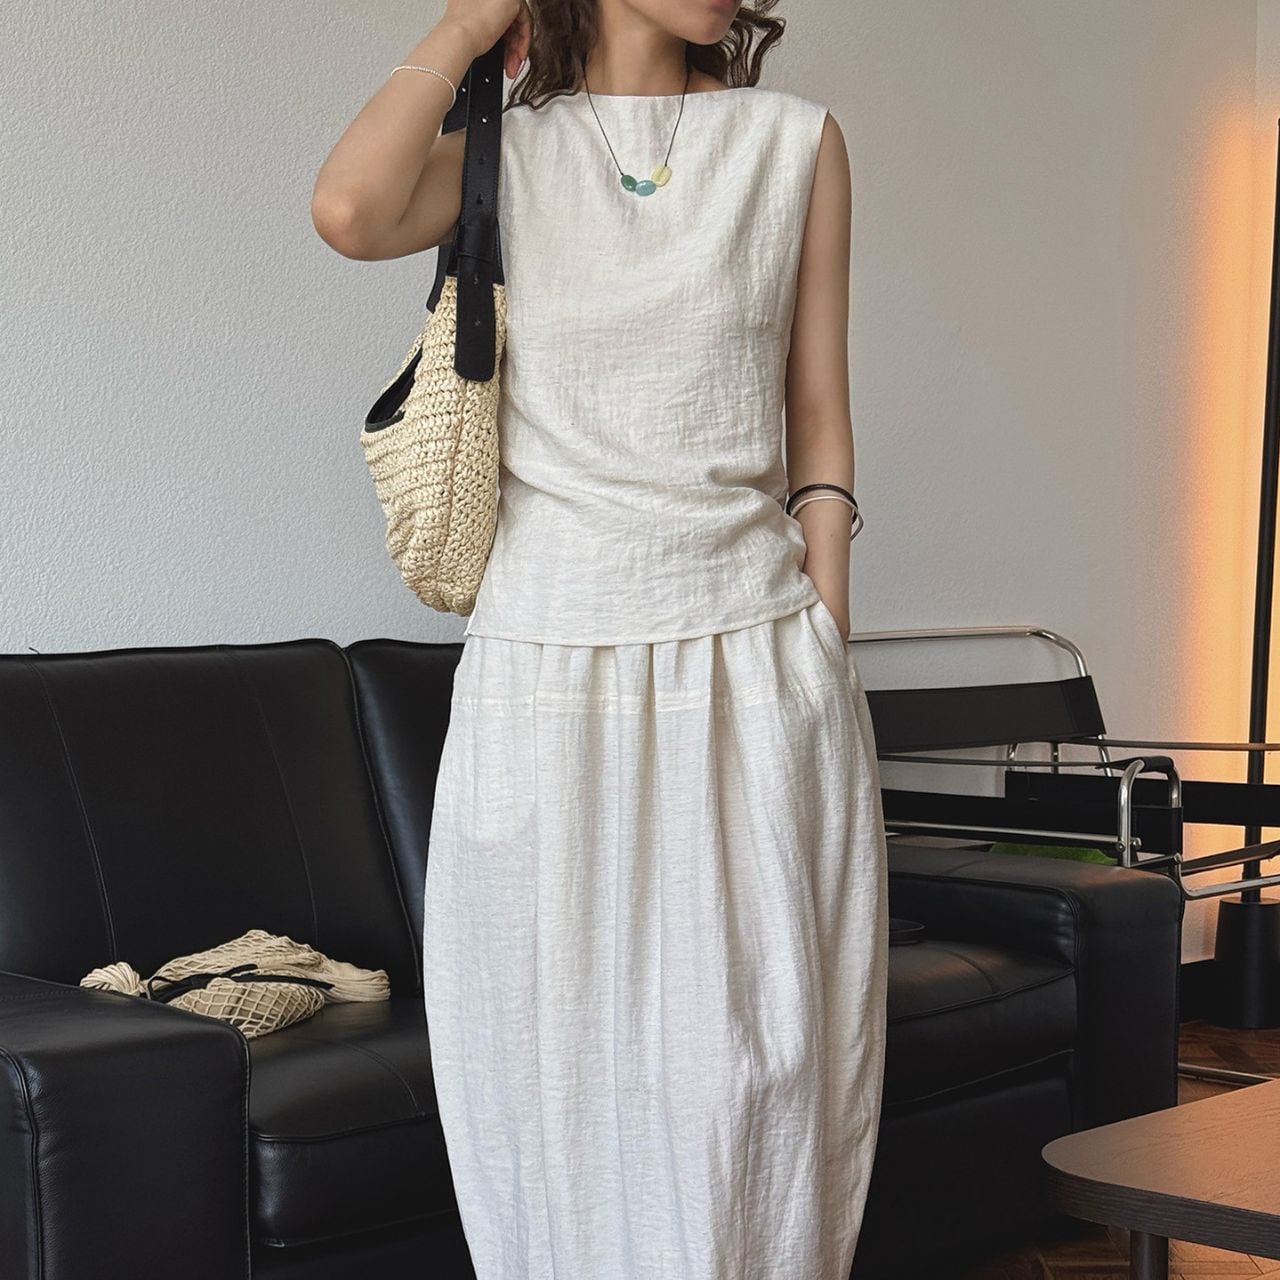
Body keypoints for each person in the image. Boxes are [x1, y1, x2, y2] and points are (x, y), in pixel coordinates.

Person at [312, 1, 889, 1275]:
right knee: (551, 1087)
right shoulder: (502, 159)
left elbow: (817, 411)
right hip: (545, 680)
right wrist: (472, 22)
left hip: (749, 668)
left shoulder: (793, 142)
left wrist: (824, 632)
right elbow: (347, 209)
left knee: (751, 1089)